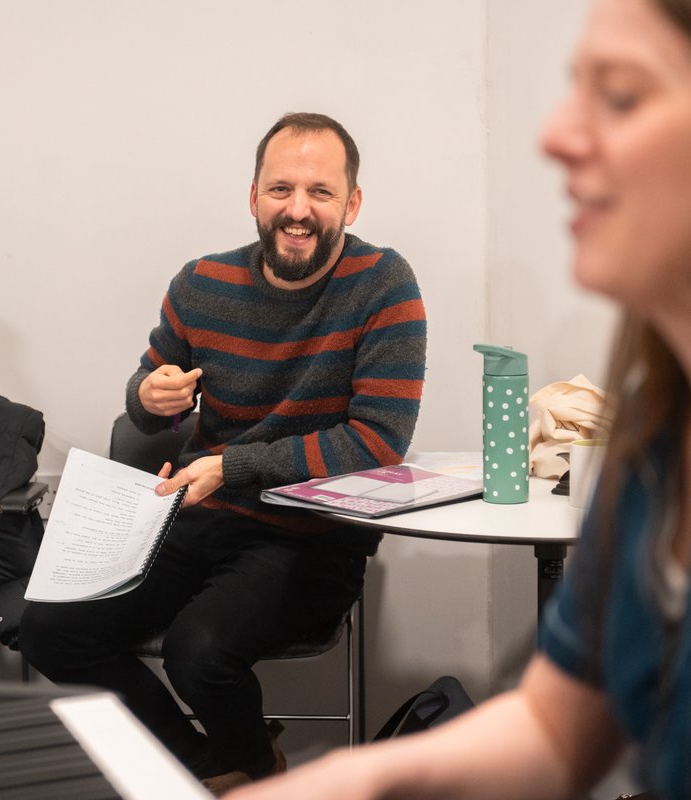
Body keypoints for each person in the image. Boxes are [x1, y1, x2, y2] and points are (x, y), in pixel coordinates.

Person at [230, 1, 691, 798]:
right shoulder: (653, 445)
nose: (554, 134)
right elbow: (557, 726)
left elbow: (375, 438)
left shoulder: (384, 284)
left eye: (618, 95)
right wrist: (345, 781)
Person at [18, 112, 427, 794]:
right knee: (49, 631)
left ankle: (252, 771)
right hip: (200, 516)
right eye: (281, 189)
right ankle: (211, 765)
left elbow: (377, 441)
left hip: (313, 536)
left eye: (320, 192)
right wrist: (152, 394)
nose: (298, 210)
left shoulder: (383, 284)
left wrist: (235, 467)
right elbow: (145, 398)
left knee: (199, 651)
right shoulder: (201, 283)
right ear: (253, 196)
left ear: (352, 203)